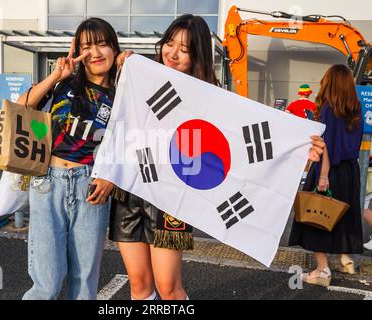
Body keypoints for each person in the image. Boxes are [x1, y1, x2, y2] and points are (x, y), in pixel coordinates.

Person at [110, 15, 326, 300]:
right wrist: (126, 69)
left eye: (184, 50)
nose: (172, 53)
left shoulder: (209, 98)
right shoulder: (141, 77)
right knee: (138, 285)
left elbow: (243, 141)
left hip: (171, 198)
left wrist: (298, 151)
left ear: (197, 56)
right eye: (170, 43)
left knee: (168, 288)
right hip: (131, 191)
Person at [20, 18, 120, 300]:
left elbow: (131, 141)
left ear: (114, 47)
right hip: (48, 183)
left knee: (84, 283)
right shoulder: (64, 84)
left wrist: (111, 177)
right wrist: (56, 75)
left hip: (91, 187)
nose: (96, 53)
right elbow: (22, 105)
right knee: (46, 283)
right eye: (87, 46)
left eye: (102, 44)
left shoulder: (122, 93)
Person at [289, 64, 364, 287]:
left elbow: (326, 145)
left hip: (328, 170)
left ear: (329, 83)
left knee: (315, 218)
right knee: (341, 215)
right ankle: (344, 258)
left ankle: (322, 270)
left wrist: (322, 176)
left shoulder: (327, 109)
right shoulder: (356, 109)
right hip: (350, 171)